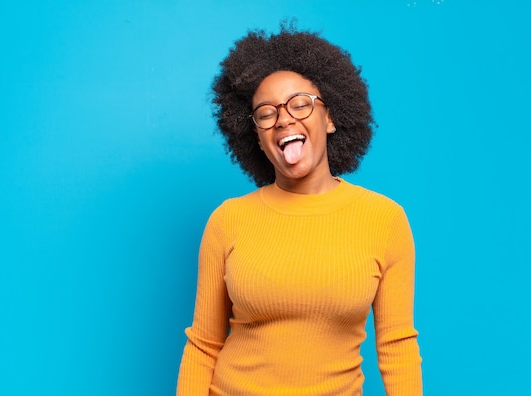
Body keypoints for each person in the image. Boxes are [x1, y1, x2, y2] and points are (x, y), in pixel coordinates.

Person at [177, 22, 422, 396]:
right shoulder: (228, 220)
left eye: (300, 103)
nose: (284, 119)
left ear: (330, 117)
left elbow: (397, 346)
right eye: (266, 113)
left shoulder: (384, 220)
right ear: (257, 138)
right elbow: (203, 345)